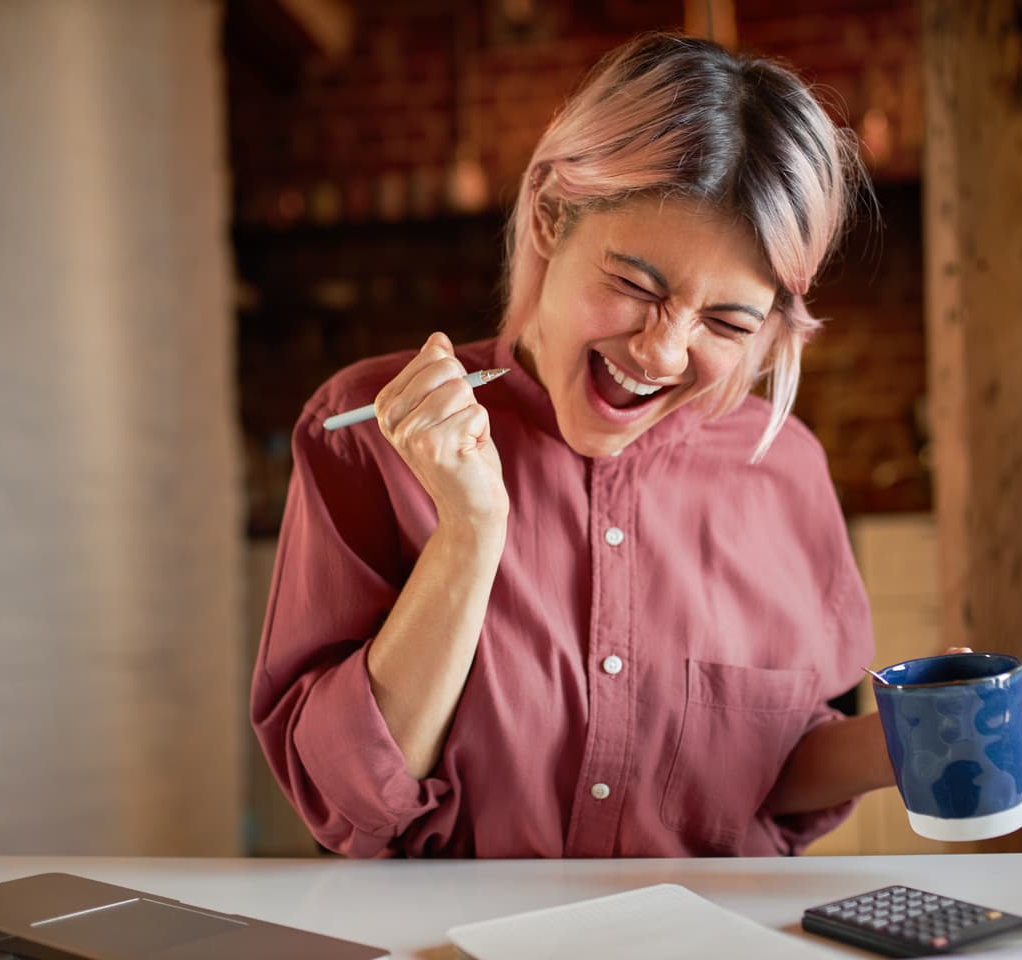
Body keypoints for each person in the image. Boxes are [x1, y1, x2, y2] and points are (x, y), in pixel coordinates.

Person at [252, 32, 894, 859]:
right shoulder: (368, 431)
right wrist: (470, 533)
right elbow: (347, 807)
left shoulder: (786, 471)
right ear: (552, 218)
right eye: (634, 285)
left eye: (727, 323)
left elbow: (768, 775)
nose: (662, 353)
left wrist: (913, 742)